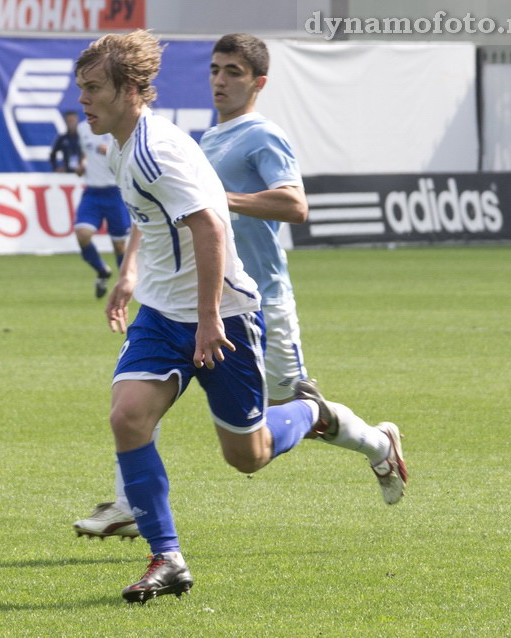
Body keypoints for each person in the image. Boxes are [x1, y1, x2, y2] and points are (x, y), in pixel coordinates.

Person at [72, 31, 409, 602]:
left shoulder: (158, 147)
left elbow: (209, 225)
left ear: (130, 90)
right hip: (162, 314)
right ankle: (167, 556)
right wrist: (130, 276)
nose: (83, 99)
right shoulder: (122, 146)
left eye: (93, 88)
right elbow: (154, 221)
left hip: (223, 312)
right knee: (128, 417)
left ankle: (310, 410)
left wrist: (209, 319)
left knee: (247, 457)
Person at [74, 118, 131, 298]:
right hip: (92, 192)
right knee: (82, 234)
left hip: (115, 192)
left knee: (119, 245)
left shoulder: (117, 125)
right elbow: (85, 153)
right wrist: (82, 164)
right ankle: (101, 270)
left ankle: (124, 283)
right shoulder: (82, 128)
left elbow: (131, 153)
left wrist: (113, 152)